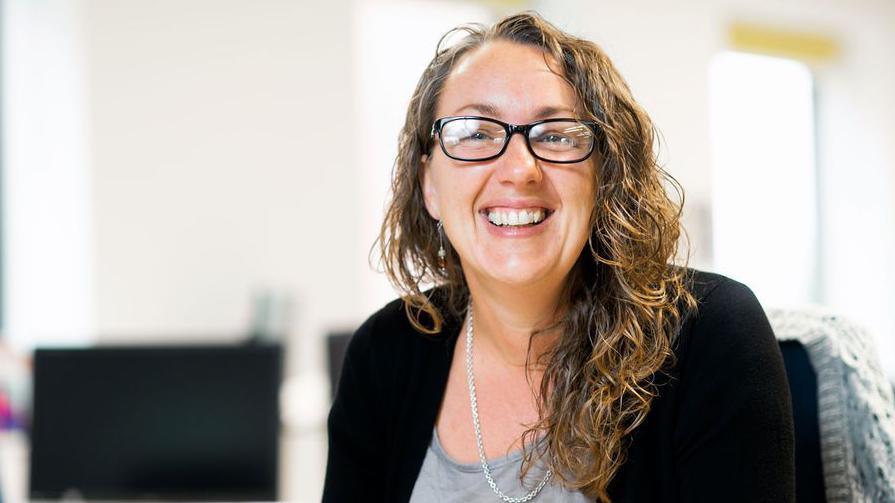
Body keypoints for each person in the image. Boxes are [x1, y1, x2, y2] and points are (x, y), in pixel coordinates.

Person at [323, 12, 795, 503]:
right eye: (476, 132)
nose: (520, 168)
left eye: (556, 134)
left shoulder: (710, 335)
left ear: (605, 177)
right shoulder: (382, 354)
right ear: (430, 187)